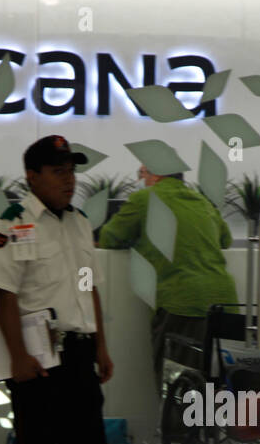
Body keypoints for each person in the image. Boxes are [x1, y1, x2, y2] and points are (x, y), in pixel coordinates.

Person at [0, 135, 167, 444]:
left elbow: (89, 288)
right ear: (33, 175)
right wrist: (17, 358)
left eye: (72, 171)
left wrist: (102, 345)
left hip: (80, 351)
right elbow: (3, 294)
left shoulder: (81, 222)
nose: (69, 181)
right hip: (37, 358)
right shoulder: (13, 223)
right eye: (58, 172)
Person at [96, 165, 238, 386]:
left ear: (156, 174)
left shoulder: (144, 199)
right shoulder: (202, 201)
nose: (140, 179)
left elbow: (109, 237)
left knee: (178, 389)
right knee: (218, 388)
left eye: (142, 174)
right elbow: (225, 239)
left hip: (182, 303)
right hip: (225, 304)